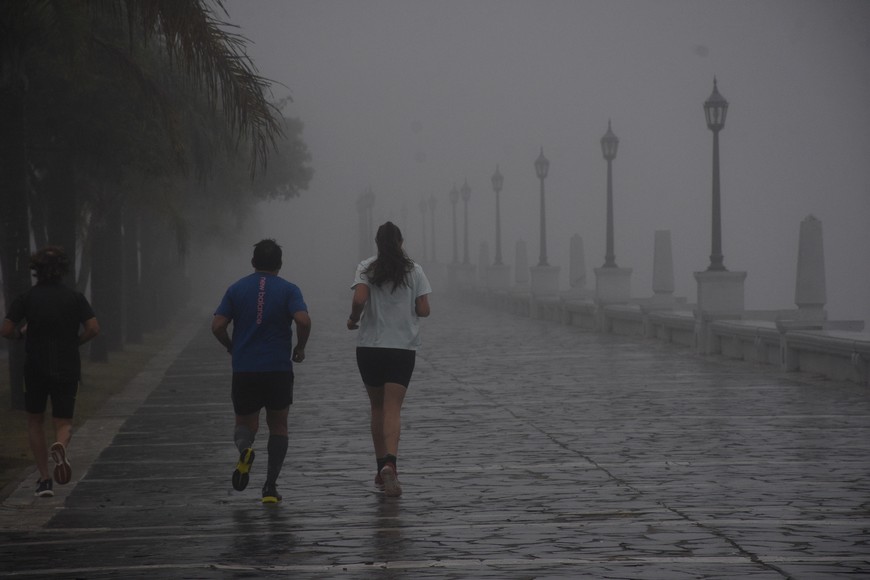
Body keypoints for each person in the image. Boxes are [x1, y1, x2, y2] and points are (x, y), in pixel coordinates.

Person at [212, 239, 311, 504]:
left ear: (253, 262)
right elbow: (302, 319)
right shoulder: (289, 290)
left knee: (245, 425)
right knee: (278, 425)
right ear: (279, 263)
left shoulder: (237, 289)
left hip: (245, 368)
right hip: (277, 368)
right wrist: (300, 347)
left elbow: (218, 325)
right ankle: (270, 487)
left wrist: (231, 347)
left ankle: (245, 451)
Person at [1, 246, 100, 498]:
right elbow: (93, 328)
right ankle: (61, 446)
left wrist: (18, 335)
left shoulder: (27, 298)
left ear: (36, 271)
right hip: (67, 366)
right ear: (63, 270)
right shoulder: (75, 298)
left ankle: (45, 480)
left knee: (35, 420)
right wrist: (75, 342)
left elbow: (6, 328)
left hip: (34, 367)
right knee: (64, 421)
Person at [348, 222, 431, 497]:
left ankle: (380, 465)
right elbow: (424, 309)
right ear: (400, 241)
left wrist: (353, 318)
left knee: (376, 407)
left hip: (370, 347)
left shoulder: (366, 267)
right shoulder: (414, 269)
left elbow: (359, 299)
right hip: (401, 348)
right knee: (393, 408)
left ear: (377, 243)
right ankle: (391, 465)